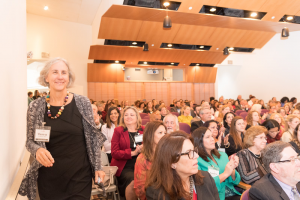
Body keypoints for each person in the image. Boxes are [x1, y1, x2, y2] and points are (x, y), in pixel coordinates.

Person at [19, 58, 106, 200]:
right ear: (46, 77)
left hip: (79, 177)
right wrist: (37, 150)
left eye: (64, 73)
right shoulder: (35, 107)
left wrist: (98, 167)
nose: (60, 76)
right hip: (48, 178)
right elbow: (30, 141)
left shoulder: (83, 102)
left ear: (68, 78)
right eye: (55, 72)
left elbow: (93, 138)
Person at [145, 131, 220, 200]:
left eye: (194, 151)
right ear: (172, 163)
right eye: (189, 153)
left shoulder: (206, 178)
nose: (196, 156)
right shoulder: (156, 193)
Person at [193, 127, 241, 200]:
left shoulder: (222, 155)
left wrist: (232, 168)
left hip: (231, 193)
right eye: (207, 137)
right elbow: (204, 186)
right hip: (214, 196)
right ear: (199, 141)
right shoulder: (196, 160)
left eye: (212, 136)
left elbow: (236, 181)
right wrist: (225, 174)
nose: (212, 139)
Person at [111, 106, 144, 198]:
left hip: (141, 164)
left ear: (137, 117)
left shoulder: (143, 130)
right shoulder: (118, 131)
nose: (128, 117)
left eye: (132, 115)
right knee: (132, 180)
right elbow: (114, 152)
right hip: (124, 166)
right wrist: (133, 153)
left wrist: (144, 148)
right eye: (126, 115)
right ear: (123, 117)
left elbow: (151, 146)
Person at [134, 121, 166, 200]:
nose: (164, 136)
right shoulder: (142, 159)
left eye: (165, 133)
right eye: (160, 133)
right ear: (150, 135)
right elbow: (140, 189)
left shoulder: (168, 154)